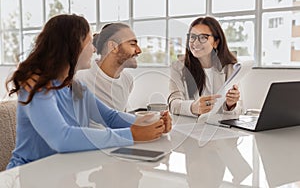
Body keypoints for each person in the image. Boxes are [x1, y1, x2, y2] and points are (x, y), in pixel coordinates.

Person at [5, 14, 172, 169]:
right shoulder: (35, 86)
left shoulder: (74, 87)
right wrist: (132, 134)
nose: (94, 49)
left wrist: (151, 123)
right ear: (74, 47)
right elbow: (61, 138)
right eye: (89, 43)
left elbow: (111, 117)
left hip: (62, 170)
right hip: (29, 174)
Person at [168, 16, 242, 117]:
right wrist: (193, 107)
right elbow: (173, 104)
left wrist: (231, 105)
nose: (196, 43)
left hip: (221, 128)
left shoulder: (231, 68)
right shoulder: (178, 67)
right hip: (189, 127)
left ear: (216, 42)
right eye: (192, 37)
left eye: (203, 37)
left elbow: (240, 109)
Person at [76, 23, 141, 112]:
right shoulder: (80, 78)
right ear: (113, 47)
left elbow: (121, 117)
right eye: (132, 44)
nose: (139, 50)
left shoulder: (127, 80)